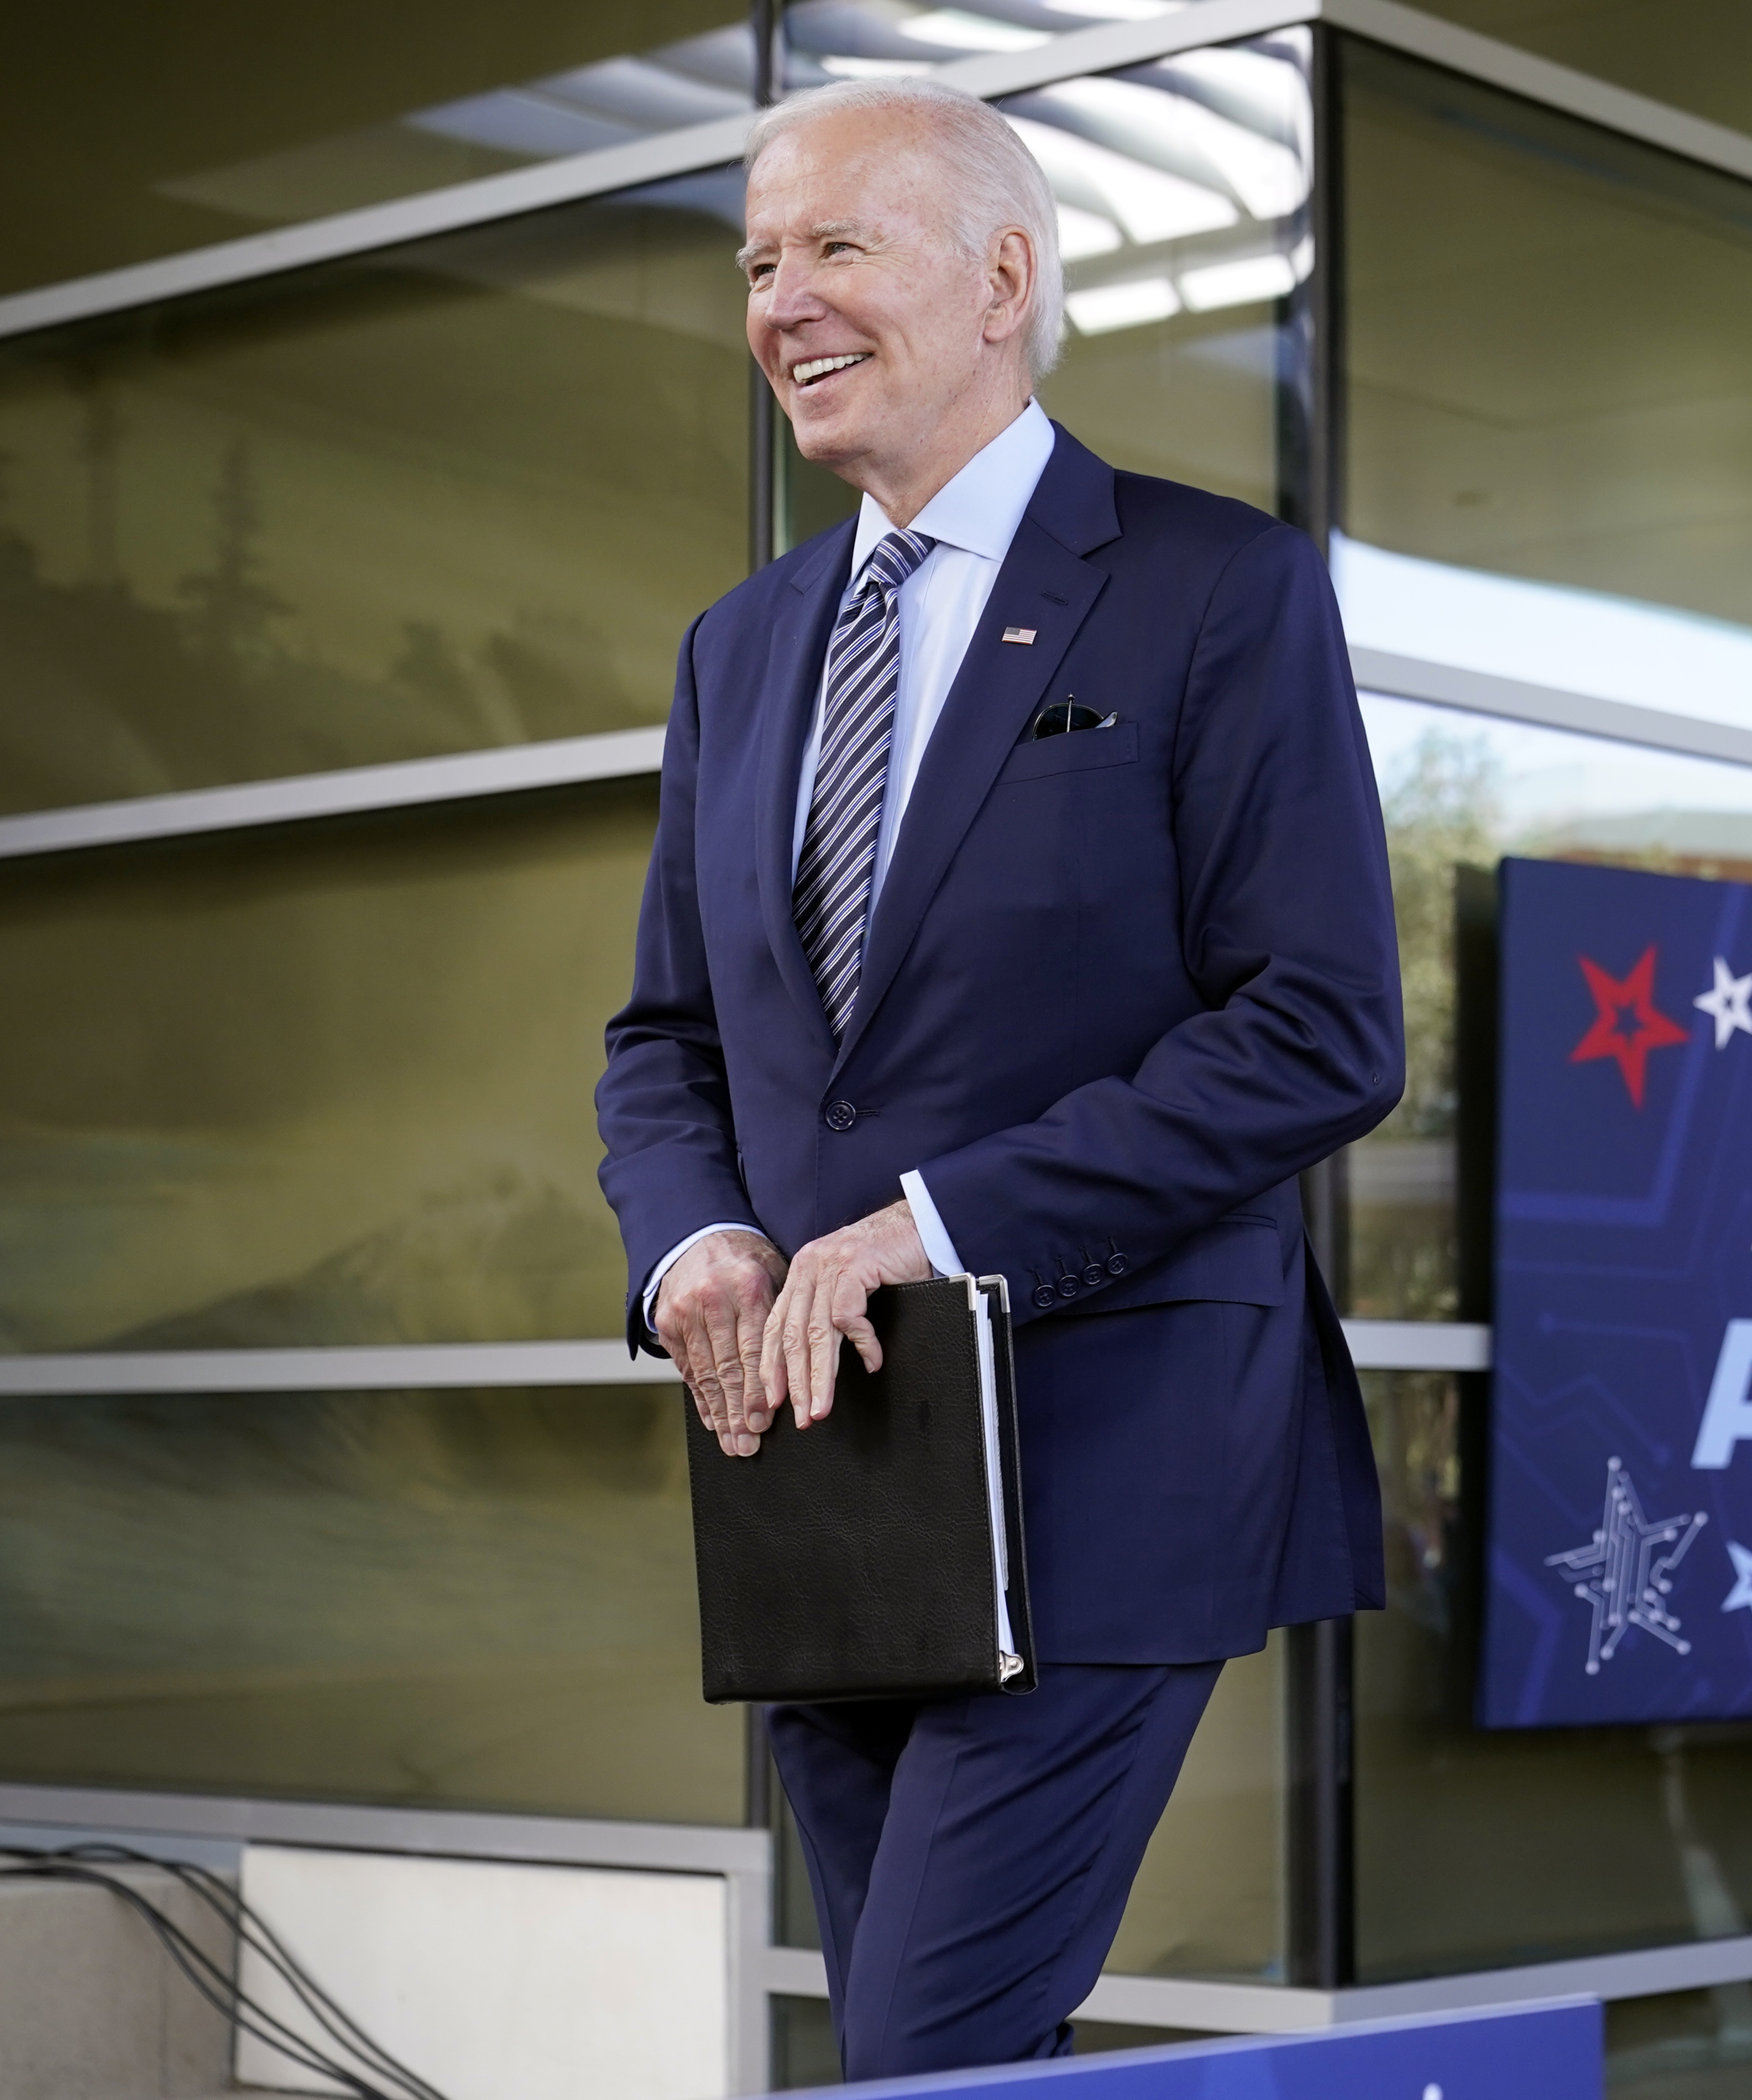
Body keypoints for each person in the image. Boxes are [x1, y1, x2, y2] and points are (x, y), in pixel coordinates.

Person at [593, 75, 1402, 2075]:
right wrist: (695, 1239)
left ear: (1003, 278)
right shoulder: (740, 647)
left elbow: (1320, 1026)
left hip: (1112, 1458)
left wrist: (928, 1232)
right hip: (828, 1478)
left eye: (836, 246)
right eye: (760, 261)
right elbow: (666, 1040)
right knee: (931, 2051)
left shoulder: (1219, 588)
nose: (782, 300)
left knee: (923, 2043)